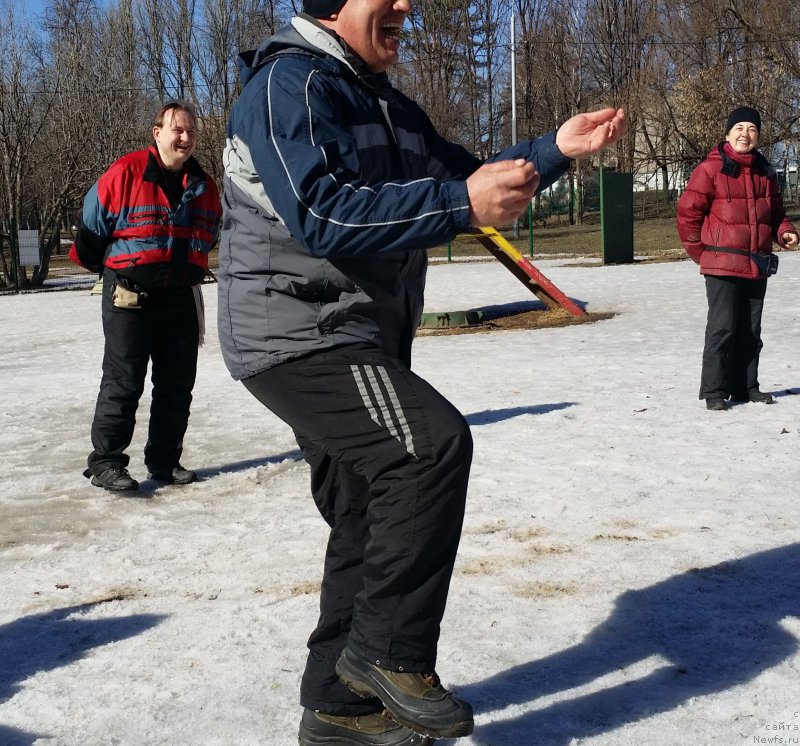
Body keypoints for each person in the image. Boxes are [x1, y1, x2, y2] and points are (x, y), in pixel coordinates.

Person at [216, 1, 625, 743]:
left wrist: (556, 149)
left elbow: (468, 178)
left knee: (367, 512)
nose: (406, 4)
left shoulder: (387, 102)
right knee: (428, 446)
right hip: (298, 335)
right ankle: (386, 655)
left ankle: (336, 709)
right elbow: (323, 212)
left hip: (355, 334)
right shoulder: (289, 87)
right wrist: (458, 204)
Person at [70, 101, 222, 492]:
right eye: (177, 130)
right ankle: (106, 463)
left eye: (190, 131)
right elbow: (90, 228)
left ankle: (164, 461)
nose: (185, 138)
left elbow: (212, 233)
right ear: (157, 133)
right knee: (124, 380)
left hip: (180, 297)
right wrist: (109, 270)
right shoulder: (126, 172)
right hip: (129, 296)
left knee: (176, 383)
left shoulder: (204, 186)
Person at [677, 106, 798, 411]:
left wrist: (785, 232)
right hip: (722, 264)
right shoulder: (709, 169)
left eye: (752, 129)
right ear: (728, 134)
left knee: (751, 331)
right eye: (740, 128)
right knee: (722, 329)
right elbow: (688, 214)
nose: (746, 135)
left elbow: (776, 214)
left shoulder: (766, 172)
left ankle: (746, 387)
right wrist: (702, 255)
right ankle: (715, 391)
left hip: (757, 263)